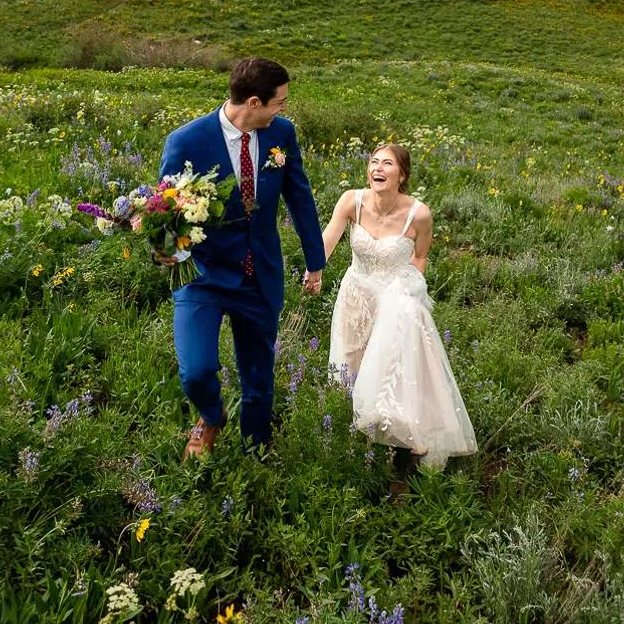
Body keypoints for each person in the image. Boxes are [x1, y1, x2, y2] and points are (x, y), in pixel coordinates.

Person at [158, 57, 325, 457]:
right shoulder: (186, 141)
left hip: (259, 272)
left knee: (258, 376)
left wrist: (314, 259)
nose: (284, 108)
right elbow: (161, 207)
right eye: (279, 102)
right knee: (196, 370)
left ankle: (256, 449)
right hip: (204, 274)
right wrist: (164, 250)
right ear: (253, 102)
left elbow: (299, 198)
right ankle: (211, 416)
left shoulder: (281, 133)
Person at [322, 143, 477, 477]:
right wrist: (313, 269)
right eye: (374, 162)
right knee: (350, 362)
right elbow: (329, 239)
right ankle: (351, 441)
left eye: (387, 163)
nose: (377, 168)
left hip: (394, 299)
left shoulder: (418, 214)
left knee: (390, 367)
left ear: (402, 174)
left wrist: (410, 294)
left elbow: (419, 257)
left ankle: (400, 443)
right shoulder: (352, 200)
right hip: (355, 295)